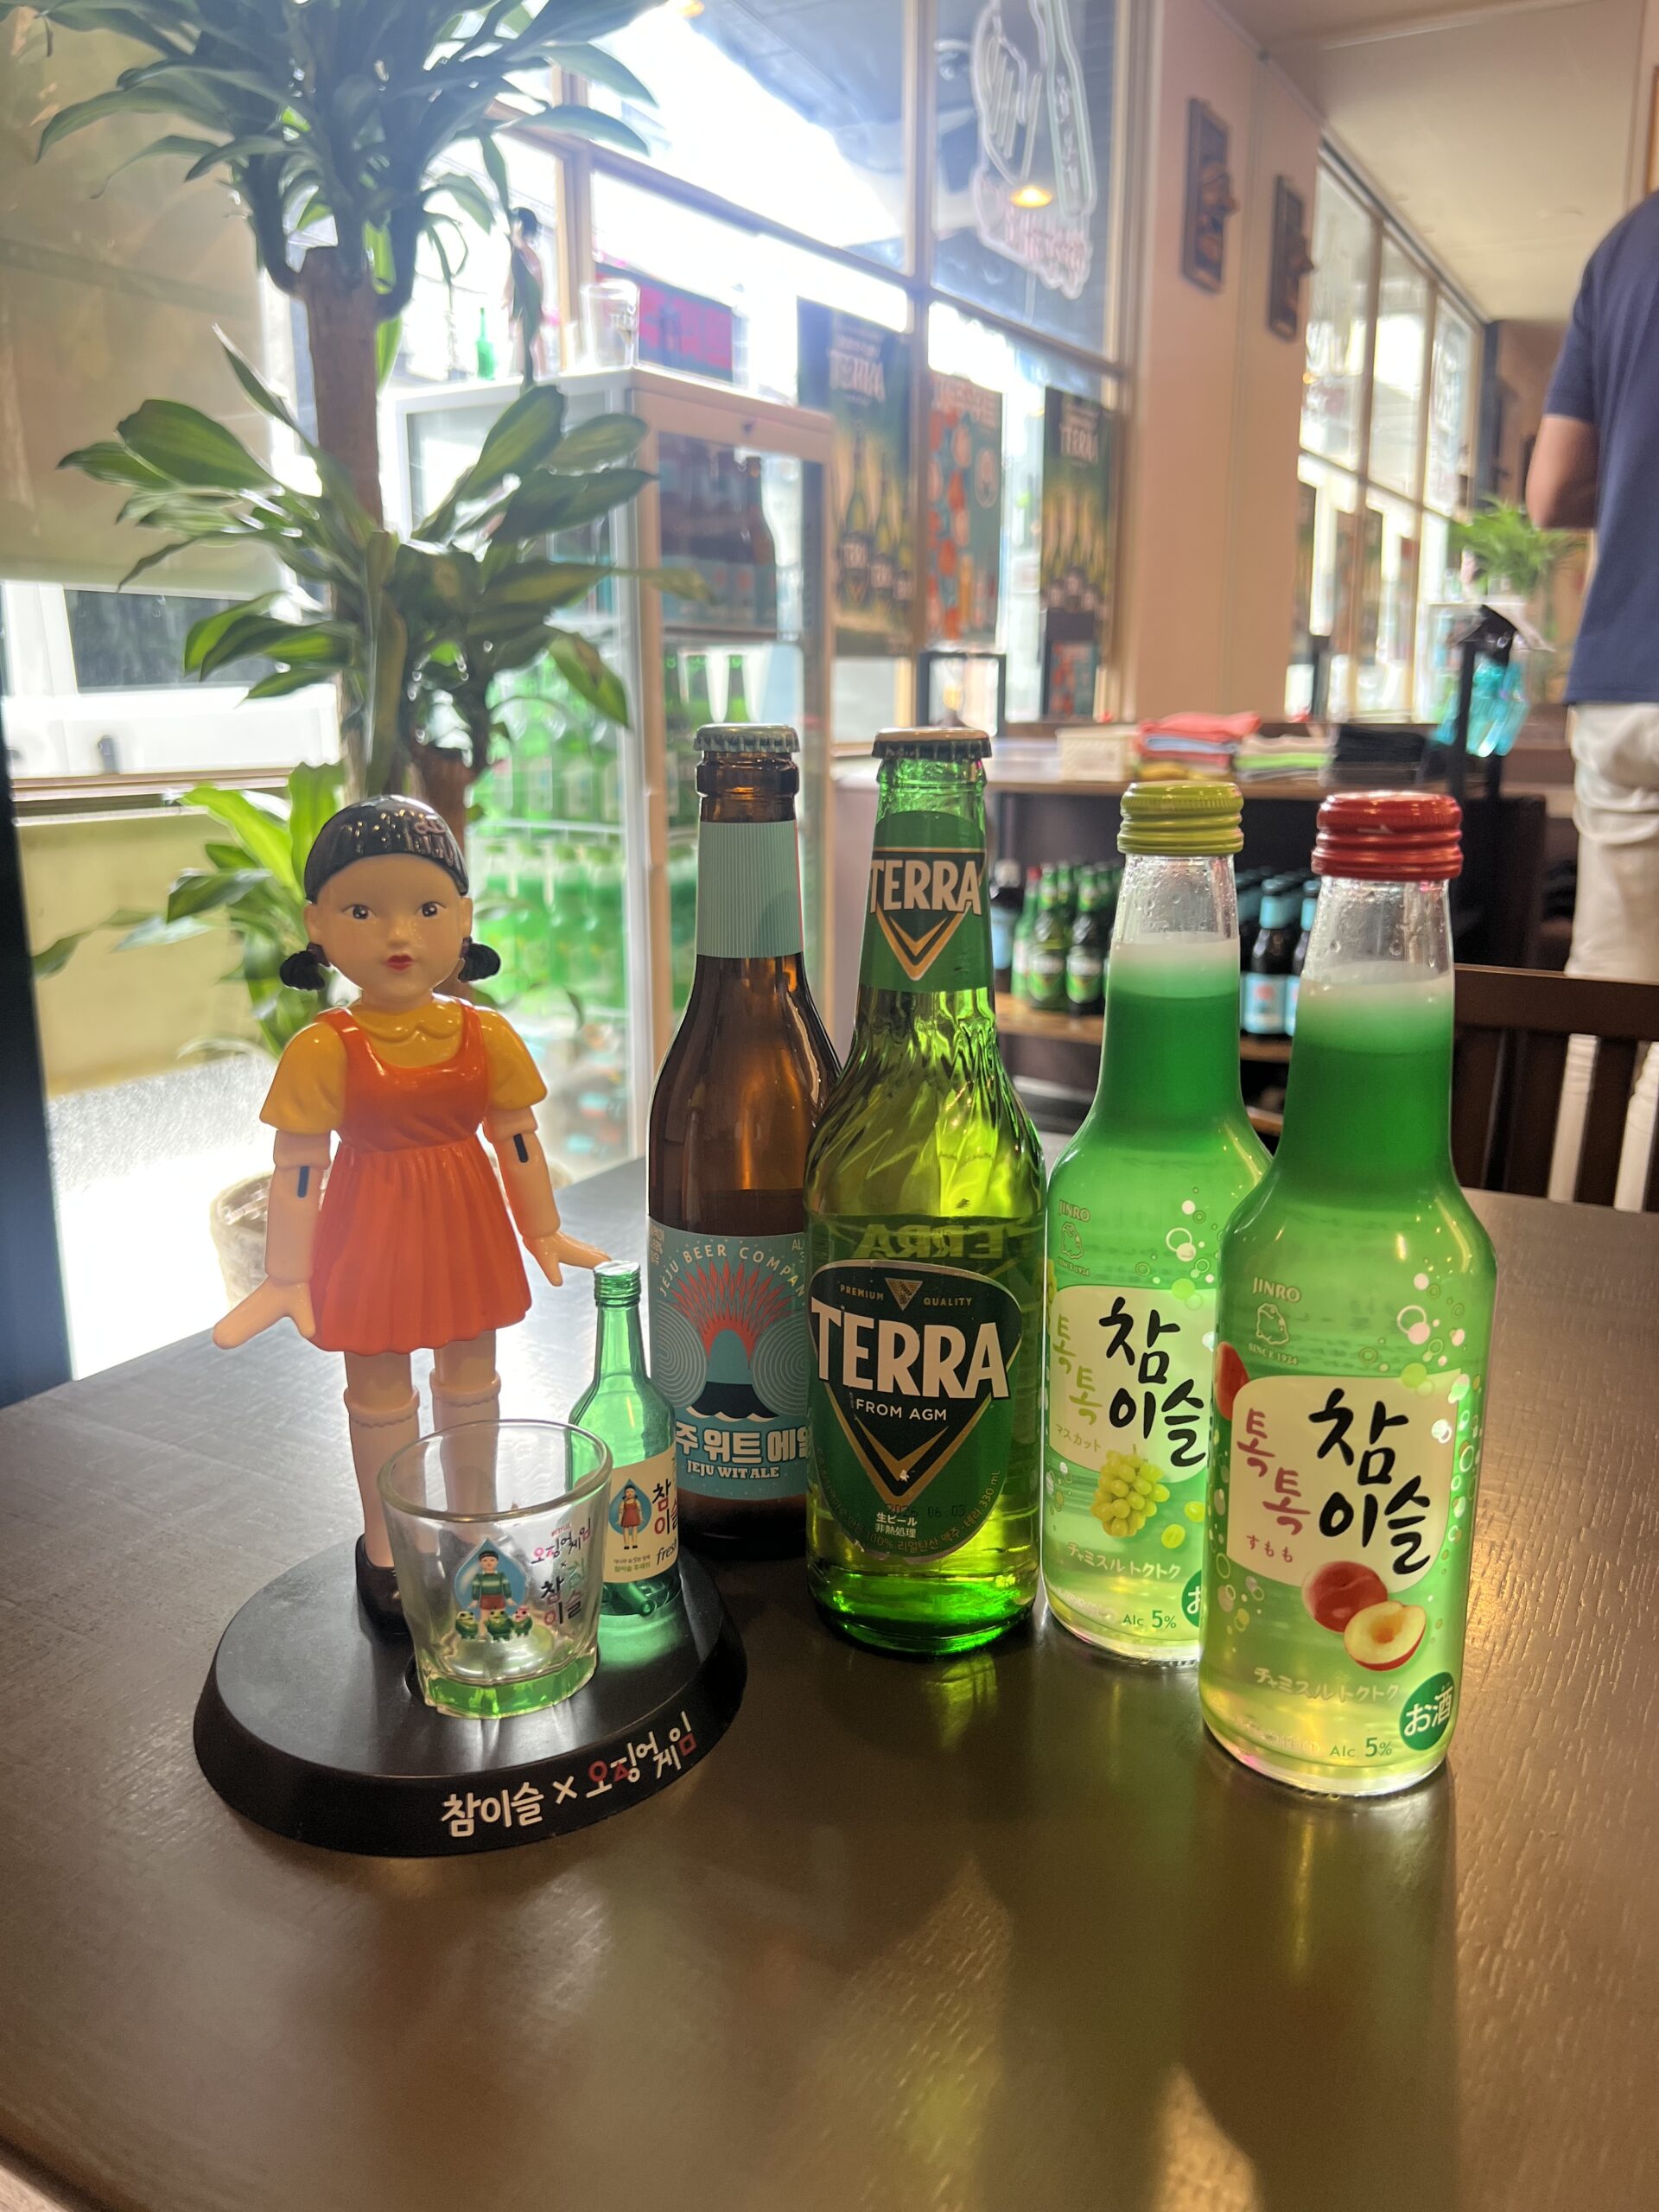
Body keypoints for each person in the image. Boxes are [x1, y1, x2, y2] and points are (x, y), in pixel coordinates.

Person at [213, 798, 607, 1627]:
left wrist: (541, 1228)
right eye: (363, 911)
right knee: (379, 1388)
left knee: (472, 1376)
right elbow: (298, 1167)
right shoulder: (324, 1047)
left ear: (463, 917)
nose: (399, 935)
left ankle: (474, 1527)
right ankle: (390, 1545)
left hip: (466, 1223)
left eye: (427, 909)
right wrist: (285, 1274)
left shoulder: (487, 1033)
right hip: (370, 1226)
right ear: (317, 925)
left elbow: (518, 1137)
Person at [1529, 191, 1659, 1205]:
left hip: (1625, 678)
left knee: (1607, 1011)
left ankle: (1574, 1281)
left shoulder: (1627, 246)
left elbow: (1552, 490)